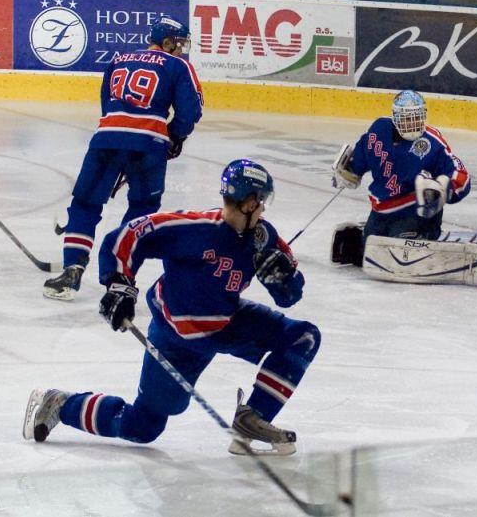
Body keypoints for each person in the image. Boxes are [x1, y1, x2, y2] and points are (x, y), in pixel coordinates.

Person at [23, 160, 319, 456]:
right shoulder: (194, 228)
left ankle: (252, 420)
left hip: (227, 324)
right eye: (262, 201)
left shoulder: (263, 238)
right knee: (143, 426)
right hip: (176, 336)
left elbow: (290, 295)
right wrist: (119, 284)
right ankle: (60, 403)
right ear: (249, 203)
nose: (263, 209)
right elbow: (129, 235)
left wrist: (285, 280)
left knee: (302, 338)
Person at [45, 16, 203, 301]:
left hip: (106, 140)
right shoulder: (178, 66)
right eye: (179, 44)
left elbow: (106, 103)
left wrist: (119, 134)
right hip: (149, 144)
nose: (181, 49)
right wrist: (174, 136)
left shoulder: (119, 59)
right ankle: (119, 277)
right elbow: (190, 111)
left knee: (85, 203)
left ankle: (71, 271)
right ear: (167, 42)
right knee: (142, 210)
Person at [330, 90, 477, 286]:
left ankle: (424, 238)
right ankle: (370, 236)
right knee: (368, 250)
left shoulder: (432, 142)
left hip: (416, 216)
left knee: (397, 251)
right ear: (395, 118)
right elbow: (360, 158)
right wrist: (349, 169)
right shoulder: (378, 130)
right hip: (380, 213)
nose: (413, 123)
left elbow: (461, 175)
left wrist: (444, 188)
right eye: (407, 118)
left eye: (417, 117)